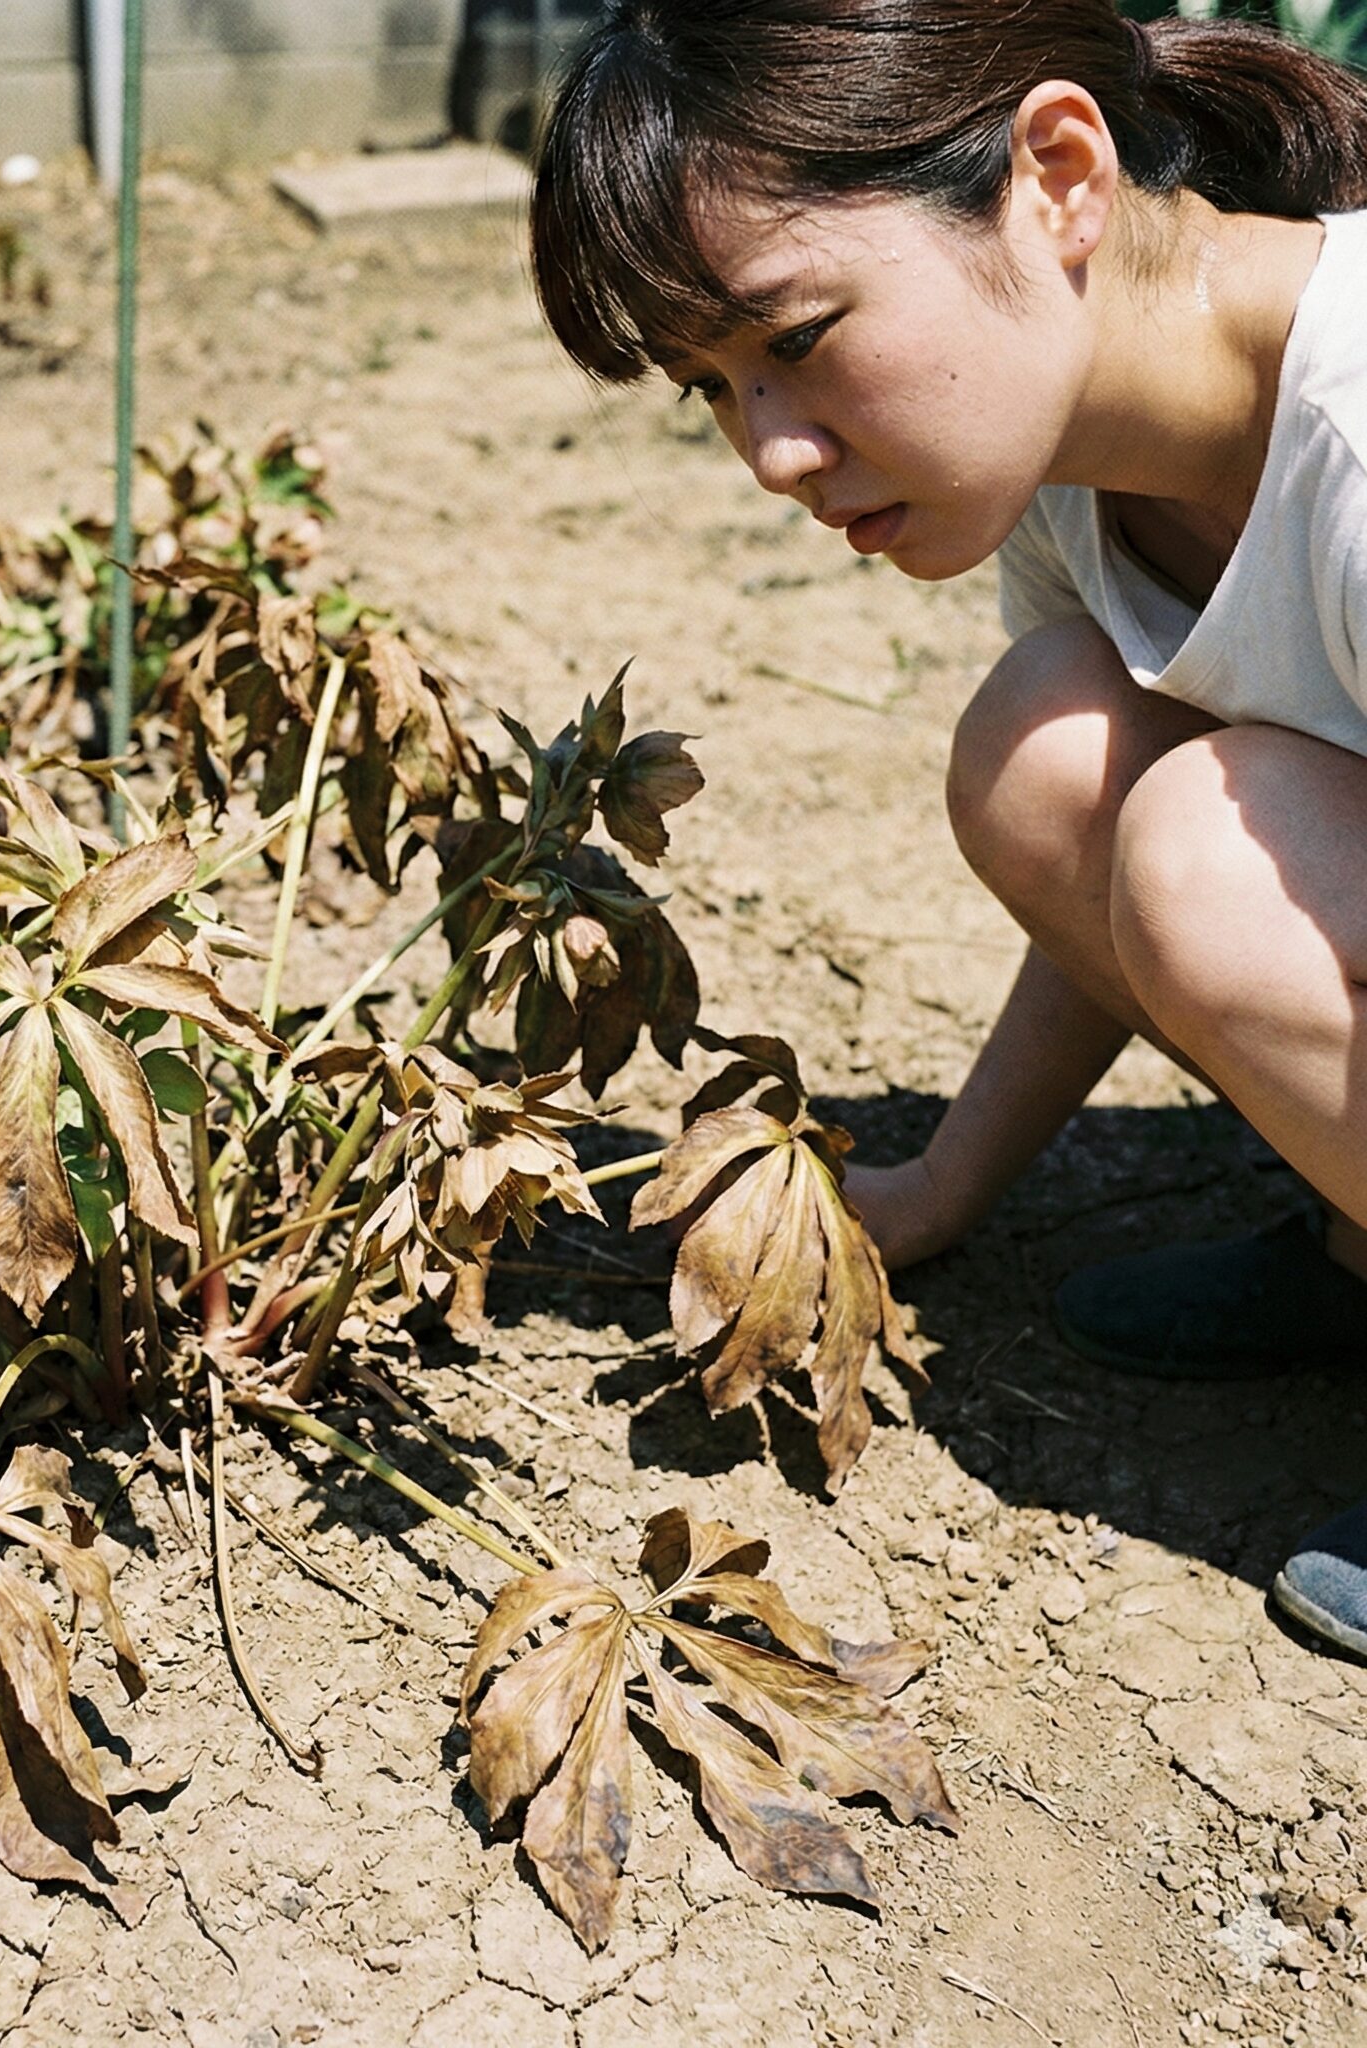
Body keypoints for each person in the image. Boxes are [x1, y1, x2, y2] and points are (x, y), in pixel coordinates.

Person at [528, 0, 1367, 1658]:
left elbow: (1214, 892)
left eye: (797, 337)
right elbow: (1112, 891)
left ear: (1057, 174)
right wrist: (947, 1183)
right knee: (1054, 750)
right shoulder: (1084, 463)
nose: (767, 451)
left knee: (1205, 834)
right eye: (709, 387)